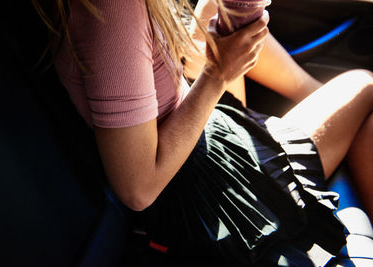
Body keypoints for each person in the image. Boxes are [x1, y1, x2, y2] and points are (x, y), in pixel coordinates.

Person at [33, 0, 373, 265]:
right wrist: (217, 74)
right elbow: (137, 189)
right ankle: (317, 121)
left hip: (194, 119)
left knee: (217, 8)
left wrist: (216, 73)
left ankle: (312, 101)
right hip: (196, 185)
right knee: (363, 85)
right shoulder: (113, 12)